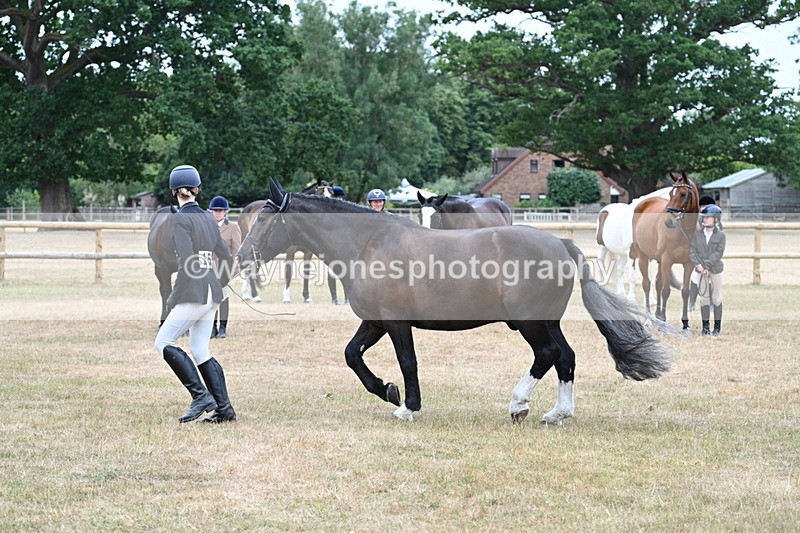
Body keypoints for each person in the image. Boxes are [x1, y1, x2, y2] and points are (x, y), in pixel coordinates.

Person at [154, 165, 237, 423]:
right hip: (212, 291)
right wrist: (219, 283)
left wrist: (173, 297)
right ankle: (224, 410)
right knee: (201, 349)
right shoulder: (208, 218)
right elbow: (225, 255)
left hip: (194, 292)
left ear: (173, 192)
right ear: (197, 190)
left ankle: (200, 396)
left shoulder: (180, 219)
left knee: (164, 342)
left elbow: (187, 262)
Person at [690, 204, 726, 336]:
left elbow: (718, 253)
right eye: (704, 217)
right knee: (704, 299)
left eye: (708, 217)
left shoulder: (721, 236)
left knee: (716, 298)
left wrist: (706, 266)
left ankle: (717, 328)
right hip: (700, 270)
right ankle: (705, 328)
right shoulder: (697, 235)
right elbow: (692, 252)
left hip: (715, 270)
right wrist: (698, 265)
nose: (704, 219)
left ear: (715, 219)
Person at [208, 195, 241, 339]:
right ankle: (212, 327)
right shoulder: (206, 226)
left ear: (226, 212)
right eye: (215, 210)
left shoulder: (233, 227)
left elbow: (236, 252)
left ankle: (222, 327)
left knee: (223, 297)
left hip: (224, 269)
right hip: (208, 268)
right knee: (211, 299)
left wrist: (231, 272)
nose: (218, 213)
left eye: (221, 211)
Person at [688, 195, 718, 311]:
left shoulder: (716, 221)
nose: (703, 208)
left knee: (711, 279)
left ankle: (710, 302)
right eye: (702, 206)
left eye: (706, 206)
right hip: (699, 255)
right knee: (695, 277)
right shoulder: (697, 221)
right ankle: (691, 302)